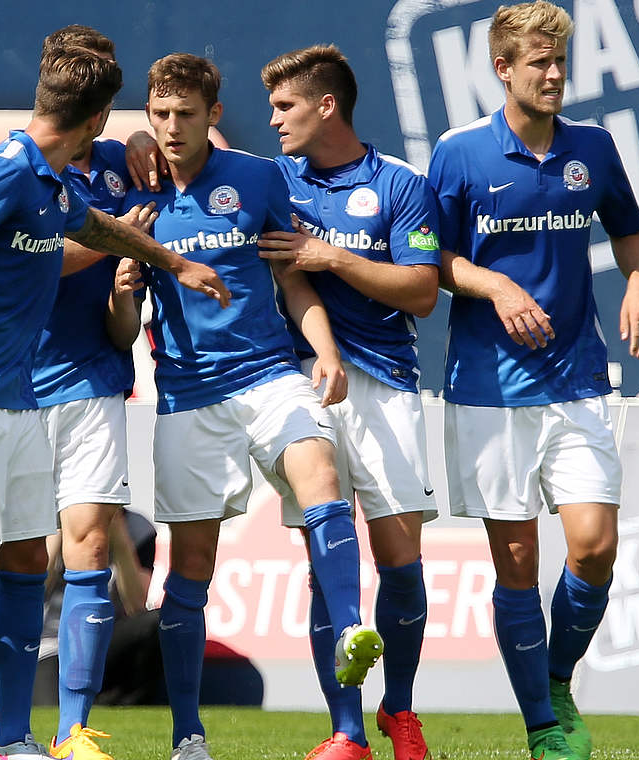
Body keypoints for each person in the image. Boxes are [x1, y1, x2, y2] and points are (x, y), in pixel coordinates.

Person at [0, 46, 229, 760]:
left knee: (19, 565)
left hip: (15, 398)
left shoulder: (51, 182)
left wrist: (175, 264)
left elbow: (95, 227)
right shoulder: (7, 170)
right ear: (100, 116)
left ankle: (12, 735)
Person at [121, 53, 382, 760]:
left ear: (214, 117)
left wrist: (322, 349)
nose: (172, 128)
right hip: (186, 395)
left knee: (321, 472)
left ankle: (354, 636)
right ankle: (187, 736)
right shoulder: (133, 194)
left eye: (186, 114)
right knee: (190, 568)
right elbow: (123, 330)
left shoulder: (257, 178)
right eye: (161, 114)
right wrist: (122, 285)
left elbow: (293, 279)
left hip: (268, 373)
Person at [427, 3, 639, 759]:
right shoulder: (459, 154)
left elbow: (628, 230)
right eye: (538, 63)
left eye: (560, 61)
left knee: (594, 547)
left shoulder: (592, 146)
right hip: (489, 388)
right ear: (503, 69)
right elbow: (432, 264)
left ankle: (556, 678)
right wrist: (493, 286)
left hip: (577, 378)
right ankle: (542, 728)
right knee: (518, 563)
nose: (554, 74)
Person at [0, 24, 157, 760]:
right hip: (15, 386)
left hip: (94, 381)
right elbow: (24, 257)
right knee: (11, 561)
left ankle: (74, 730)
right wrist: (117, 240)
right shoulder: (8, 169)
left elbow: (181, 150)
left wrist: (142, 141)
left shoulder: (120, 163)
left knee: (85, 547)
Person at [255, 44, 441, 760]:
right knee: (323, 554)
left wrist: (332, 257)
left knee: (400, 561)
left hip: (387, 381)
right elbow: (194, 151)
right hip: (303, 378)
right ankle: (345, 732)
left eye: (285, 106)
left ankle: (398, 709)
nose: (273, 120)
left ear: (326, 105)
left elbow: (422, 292)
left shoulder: (399, 183)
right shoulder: (275, 179)